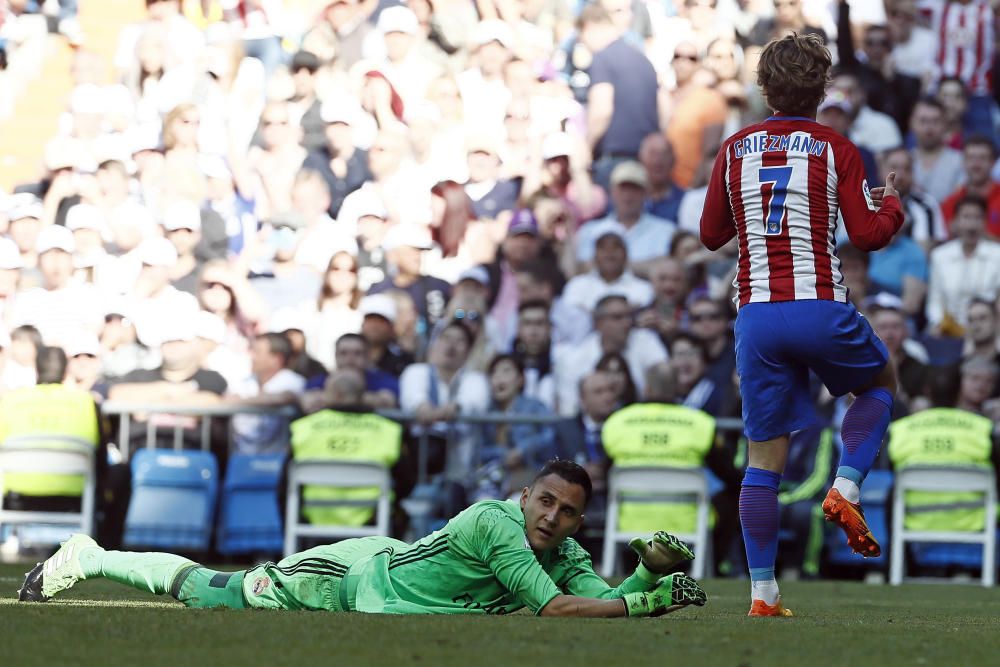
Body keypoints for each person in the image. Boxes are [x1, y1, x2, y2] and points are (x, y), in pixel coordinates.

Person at [700, 33, 904, 616]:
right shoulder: (835, 146)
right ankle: (845, 485)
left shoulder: (734, 148)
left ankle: (763, 595)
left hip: (757, 317)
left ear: (764, 90)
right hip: (820, 306)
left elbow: (711, 234)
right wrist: (891, 204)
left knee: (763, 460)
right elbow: (867, 235)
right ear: (821, 90)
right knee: (881, 383)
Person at [20, 460, 707, 618]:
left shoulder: (566, 550)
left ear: (578, 523)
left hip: (374, 584)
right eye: (545, 500)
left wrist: (649, 572)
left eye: (566, 512)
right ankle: (94, 554)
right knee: (212, 593)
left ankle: (95, 554)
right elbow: (560, 611)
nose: (552, 517)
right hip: (349, 574)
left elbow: (600, 602)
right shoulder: (496, 522)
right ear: (524, 495)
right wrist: (648, 601)